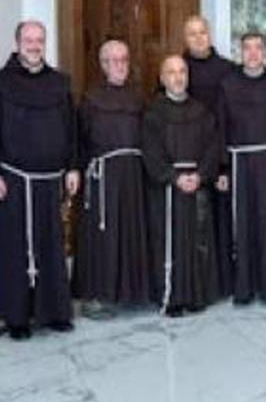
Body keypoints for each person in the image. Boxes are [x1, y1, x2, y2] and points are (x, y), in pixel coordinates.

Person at [0, 21, 80, 340]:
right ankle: (16, 317)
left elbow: (71, 128)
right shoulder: (2, 82)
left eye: (39, 40)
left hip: (50, 180)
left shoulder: (59, 82)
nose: (34, 46)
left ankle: (54, 312)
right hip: (13, 180)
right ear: (17, 43)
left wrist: (72, 167)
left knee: (51, 247)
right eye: (29, 40)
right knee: (15, 248)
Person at [75, 40, 149, 316]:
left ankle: (132, 292)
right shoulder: (90, 99)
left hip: (133, 176)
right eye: (113, 60)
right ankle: (99, 294)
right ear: (103, 64)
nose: (119, 65)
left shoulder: (139, 98)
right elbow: (80, 139)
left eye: (124, 60)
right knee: (103, 235)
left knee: (131, 231)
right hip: (103, 176)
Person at [142, 55, 220, 317]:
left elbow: (212, 147)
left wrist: (200, 175)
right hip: (166, 188)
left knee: (197, 240)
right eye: (172, 72)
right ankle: (171, 297)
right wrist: (173, 177)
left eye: (182, 72)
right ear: (162, 78)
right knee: (168, 241)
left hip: (197, 185)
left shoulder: (202, 111)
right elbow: (150, 151)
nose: (178, 77)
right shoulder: (153, 113)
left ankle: (196, 295)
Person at [217, 32, 266, 305]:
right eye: (247, 48)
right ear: (240, 52)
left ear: (265, 52)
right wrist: (223, 169)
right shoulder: (227, 85)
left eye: (258, 48)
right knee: (242, 225)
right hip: (239, 164)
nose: (253, 53)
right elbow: (221, 128)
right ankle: (244, 288)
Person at [182, 15, 235, 296]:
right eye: (192, 34)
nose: (198, 38)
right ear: (185, 38)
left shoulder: (227, 70)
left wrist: (224, 167)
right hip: (187, 160)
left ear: (209, 34)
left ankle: (223, 284)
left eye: (202, 32)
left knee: (221, 222)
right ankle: (194, 284)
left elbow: (232, 120)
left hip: (219, 156)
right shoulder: (177, 68)